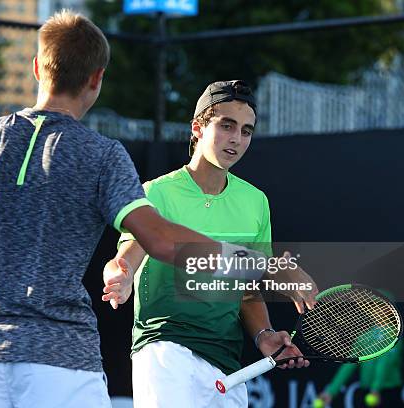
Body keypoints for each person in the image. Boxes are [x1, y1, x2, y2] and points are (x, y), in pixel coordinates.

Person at [0, 12, 277, 408]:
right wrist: (266, 266)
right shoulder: (103, 155)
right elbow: (158, 240)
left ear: (37, 68)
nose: (237, 138)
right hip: (62, 362)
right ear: (96, 79)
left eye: (246, 130)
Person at [102, 80, 318, 408]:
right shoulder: (157, 191)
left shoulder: (255, 201)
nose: (236, 138)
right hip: (165, 349)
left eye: (246, 131)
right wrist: (123, 272)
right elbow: (130, 252)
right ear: (198, 128)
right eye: (226, 125)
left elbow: (248, 288)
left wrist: (264, 335)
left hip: (226, 362)